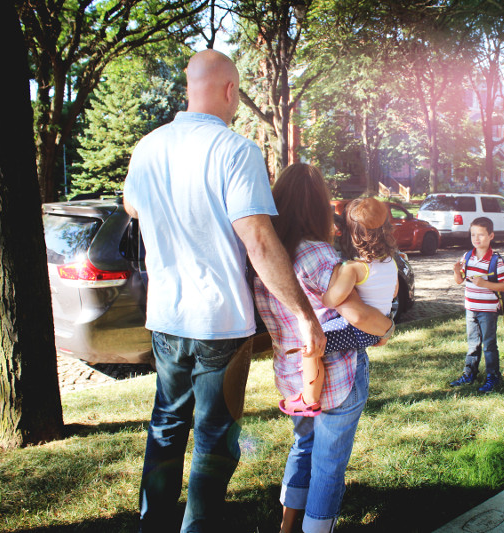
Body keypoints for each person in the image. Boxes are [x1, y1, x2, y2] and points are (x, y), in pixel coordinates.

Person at [123, 49, 326, 533]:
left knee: (167, 427)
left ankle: (154, 525)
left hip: (166, 317)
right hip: (220, 321)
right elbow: (257, 238)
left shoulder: (147, 147)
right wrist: (303, 315)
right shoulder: (236, 150)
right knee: (215, 437)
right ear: (231, 90)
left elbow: (132, 205)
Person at [253, 163, 393, 533]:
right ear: (318, 206)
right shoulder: (318, 254)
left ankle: (287, 526)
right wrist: (388, 327)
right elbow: (358, 314)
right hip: (337, 379)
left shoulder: (264, 258)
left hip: (293, 376)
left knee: (302, 448)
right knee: (328, 464)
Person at [279, 197, 399, 417]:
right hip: (377, 327)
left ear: (353, 234)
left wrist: (328, 288)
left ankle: (309, 399)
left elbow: (331, 300)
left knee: (312, 344)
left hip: (357, 329)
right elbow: (393, 292)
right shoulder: (390, 262)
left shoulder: (352, 268)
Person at [450, 217, 504, 393]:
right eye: (473, 235)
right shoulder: (467, 256)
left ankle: (493, 376)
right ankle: (470, 373)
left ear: (491, 236)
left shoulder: (495, 261)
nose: (477, 239)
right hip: (471, 308)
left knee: (489, 344)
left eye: (481, 235)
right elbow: (459, 281)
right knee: (473, 343)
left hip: (488, 310)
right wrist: (456, 271)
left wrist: (485, 284)